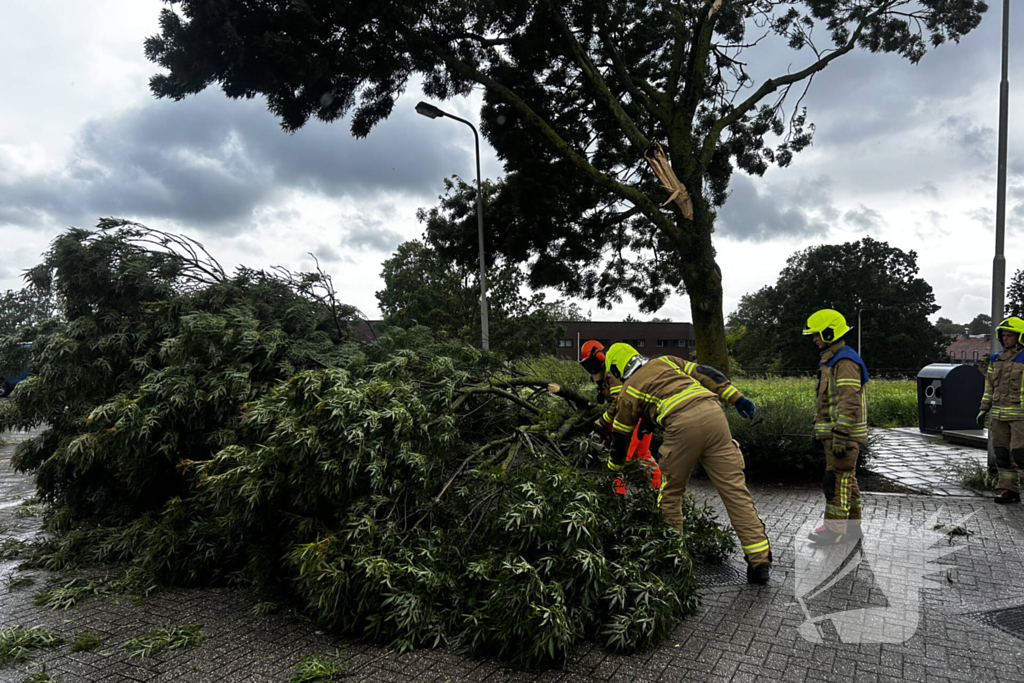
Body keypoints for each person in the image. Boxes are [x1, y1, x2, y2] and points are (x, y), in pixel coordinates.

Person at [601, 343, 770, 585]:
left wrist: (613, 468)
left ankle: (676, 562)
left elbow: (620, 436)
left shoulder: (629, 390)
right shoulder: (667, 361)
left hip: (682, 427)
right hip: (714, 415)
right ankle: (759, 562)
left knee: (670, 495)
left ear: (617, 370)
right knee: (735, 492)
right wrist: (736, 397)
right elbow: (706, 372)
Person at [802, 309, 868, 544]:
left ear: (830, 333)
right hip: (836, 434)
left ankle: (835, 531)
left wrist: (840, 433)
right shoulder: (833, 360)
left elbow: (849, 400)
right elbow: (826, 402)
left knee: (836, 480)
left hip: (844, 435)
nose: (814, 339)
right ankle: (852, 528)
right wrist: (818, 431)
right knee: (846, 480)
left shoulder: (845, 362)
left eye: (817, 334)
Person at [580, 340, 660, 493]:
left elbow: (618, 403)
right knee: (642, 454)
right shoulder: (608, 373)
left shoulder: (612, 371)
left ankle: (618, 496)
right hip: (643, 414)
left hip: (633, 417)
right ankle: (657, 490)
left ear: (599, 357)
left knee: (621, 458)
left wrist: (602, 422)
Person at [977, 316, 1024, 504]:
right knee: (1002, 454)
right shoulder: (995, 359)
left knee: (1020, 454)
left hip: (1021, 416)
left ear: (1020, 337)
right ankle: (1010, 490)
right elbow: (989, 386)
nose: (1005, 339)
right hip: (998, 415)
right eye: (1003, 336)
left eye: (1010, 335)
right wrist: (983, 409)